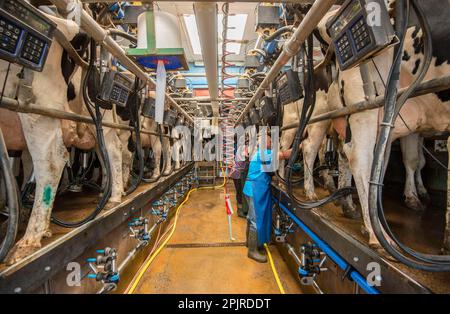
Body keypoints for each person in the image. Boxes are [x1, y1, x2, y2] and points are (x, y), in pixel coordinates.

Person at [243, 134, 291, 263]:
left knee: (250, 218)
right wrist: (302, 145)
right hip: (254, 189)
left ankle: (249, 242)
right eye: (270, 140)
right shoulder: (263, 154)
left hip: (250, 189)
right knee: (254, 220)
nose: (271, 142)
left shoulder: (258, 153)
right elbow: (283, 155)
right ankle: (252, 251)